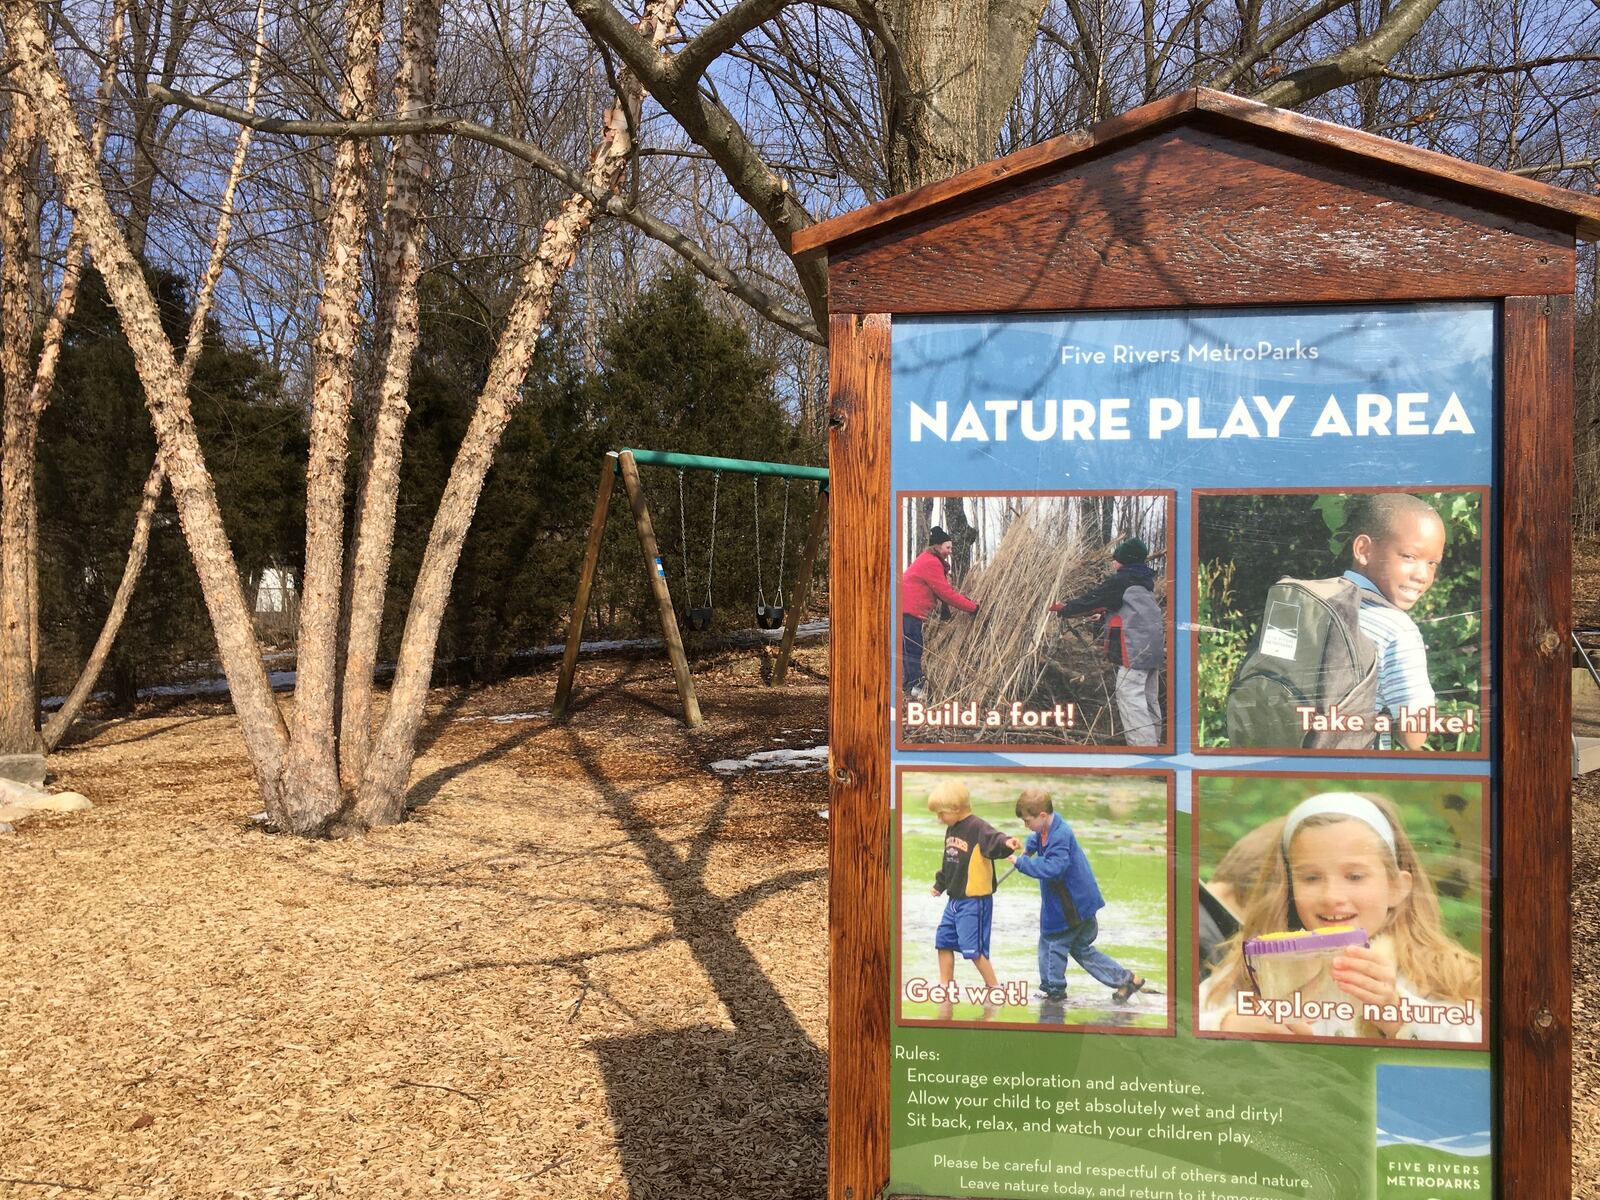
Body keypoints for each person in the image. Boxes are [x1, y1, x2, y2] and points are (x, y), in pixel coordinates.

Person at [1199, 791, 1483, 1042]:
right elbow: (1183, 1019)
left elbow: (1479, 1050)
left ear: (1397, 887)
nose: (1332, 896)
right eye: (1311, 878)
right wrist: (1227, 1023)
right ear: (1289, 890)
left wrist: (1397, 1012)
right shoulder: (1251, 970)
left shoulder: (1447, 974)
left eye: (1355, 876)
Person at [1009, 787, 1145, 1004]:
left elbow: (1054, 868)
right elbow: (1039, 836)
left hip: (1070, 906)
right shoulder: (1050, 827)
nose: (1026, 825)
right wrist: (1030, 845)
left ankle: (1054, 990)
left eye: (1027, 821)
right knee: (1080, 948)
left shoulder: (1060, 836)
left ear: (1042, 816)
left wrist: (1022, 863)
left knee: (1052, 942)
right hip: (1081, 903)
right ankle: (1128, 979)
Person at [1342, 494, 1447, 749]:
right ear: (1364, 550)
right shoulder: (1397, 629)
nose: (1423, 575)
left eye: (1432, 563)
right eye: (1409, 556)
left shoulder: (1314, 601)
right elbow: (1414, 735)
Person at [1053, 537, 1164, 745]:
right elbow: (1131, 610)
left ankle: (1144, 752)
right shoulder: (1144, 582)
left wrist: (1065, 608)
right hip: (1153, 649)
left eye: (1117, 559)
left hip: (1135, 651)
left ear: (1125, 561)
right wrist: (1105, 617)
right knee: (1149, 700)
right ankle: (1155, 744)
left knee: (1130, 697)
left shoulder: (1121, 580)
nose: (1113, 563)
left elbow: (1093, 599)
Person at [928, 780, 1014, 1001]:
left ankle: (994, 988)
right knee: (943, 940)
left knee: (973, 948)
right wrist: (940, 884)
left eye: (941, 813)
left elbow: (995, 840)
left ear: (956, 809)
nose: (939, 818)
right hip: (954, 900)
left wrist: (1008, 843)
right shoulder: (952, 828)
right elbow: (949, 860)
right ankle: (945, 985)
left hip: (974, 901)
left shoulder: (977, 827)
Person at [901, 525, 978, 699]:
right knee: (913, 648)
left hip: (907, 609)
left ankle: (909, 686)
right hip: (909, 610)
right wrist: (972, 607)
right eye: (947, 547)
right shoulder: (931, 562)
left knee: (909, 648)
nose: (950, 551)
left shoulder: (928, 559)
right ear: (937, 546)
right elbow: (946, 593)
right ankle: (916, 689)